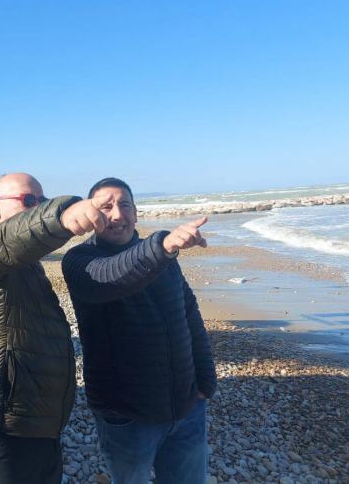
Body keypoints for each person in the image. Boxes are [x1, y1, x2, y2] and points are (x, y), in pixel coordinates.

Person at [0, 172, 110, 483]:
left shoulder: (27, 267)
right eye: (29, 201)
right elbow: (4, 241)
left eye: (42, 201)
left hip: (38, 432)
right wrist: (60, 213)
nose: (37, 208)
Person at [61, 177, 217, 484]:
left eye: (125, 205)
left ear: (136, 213)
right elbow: (112, 276)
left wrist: (205, 384)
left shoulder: (161, 256)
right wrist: (164, 245)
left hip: (186, 408)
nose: (117, 214)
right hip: (127, 416)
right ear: (92, 216)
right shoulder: (79, 261)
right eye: (106, 207)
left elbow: (189, 314)